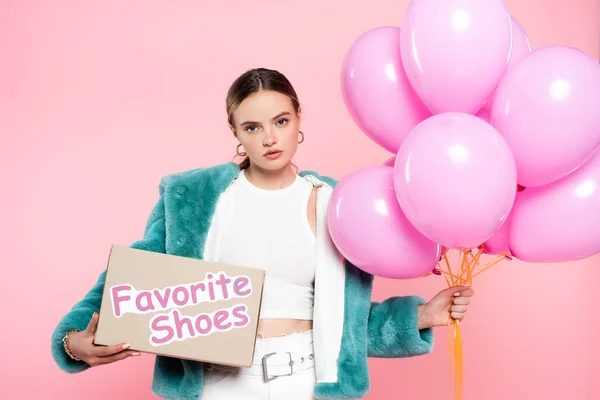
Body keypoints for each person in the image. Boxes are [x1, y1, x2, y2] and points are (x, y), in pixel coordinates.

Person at [51, 68, 475, 400]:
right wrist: (73, 341)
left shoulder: (339, 203)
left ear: (298, 119)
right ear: (235, 133)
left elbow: (343, 322)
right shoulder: (192, 198)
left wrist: (419, 317)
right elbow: (130, 280)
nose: (270, 138)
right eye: (252, 127)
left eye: (281, 120)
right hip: (220, 384)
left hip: (308, 382)